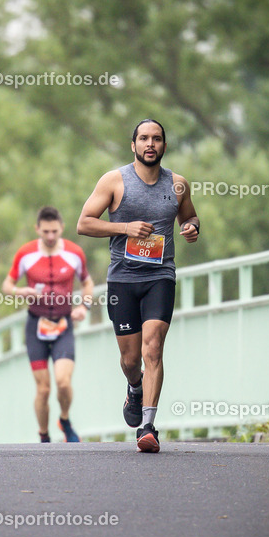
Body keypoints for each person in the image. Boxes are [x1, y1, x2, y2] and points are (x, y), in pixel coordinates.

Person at [77, 119, 199, 453]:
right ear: (133, 145)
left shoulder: (177, 184)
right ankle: (134, 387)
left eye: (156, 139)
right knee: (131, 359)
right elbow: (84, 223)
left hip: (160, 276)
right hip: (123, 280)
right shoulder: (114, 180)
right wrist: (125, 228)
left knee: (153, 347)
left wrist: (191, 228)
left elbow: (189, 217)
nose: (150, 144)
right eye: (143, 138)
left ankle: (147, 427)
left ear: (163, 145)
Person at [3, 206, 95, 443]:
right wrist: (19, 291)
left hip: (64, 324)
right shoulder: (26, 254)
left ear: (61, 228)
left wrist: (84, 307)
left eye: (54, 231)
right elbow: (7, 285)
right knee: (43, 389)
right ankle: (44, 436)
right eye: (46, 232)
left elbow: (87, 283)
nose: (51, 236)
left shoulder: (74, 253)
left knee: (63, 383)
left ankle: (64, 419)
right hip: (36, 326)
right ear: (37, 229)